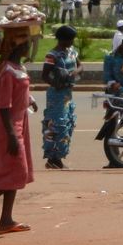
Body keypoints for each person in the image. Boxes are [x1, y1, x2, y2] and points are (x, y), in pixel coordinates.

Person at [0, 22, 38, 235]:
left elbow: (19, 93)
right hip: (8, 128)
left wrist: (29, 100)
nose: (29, 47)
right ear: (17, 46)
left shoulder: (17, 68)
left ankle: (6, 220)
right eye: (26, 43)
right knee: (12, 172)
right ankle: (5, 220)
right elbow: (3, 105)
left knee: (13, 173)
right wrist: (12, 135)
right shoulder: (6, 71)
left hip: (19, 123)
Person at [41, 25, 82, 170]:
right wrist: (56, 83)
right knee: (55, 125)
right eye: (69, 40)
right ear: (62, 39)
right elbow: (44, 75)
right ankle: (52, 157)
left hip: (67, 94)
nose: (71, 42)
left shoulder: (71, 52)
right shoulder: (52, 55)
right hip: (56, 95)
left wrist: (73, 73)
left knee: (67, 124)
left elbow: (80, 66)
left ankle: (58, 156)